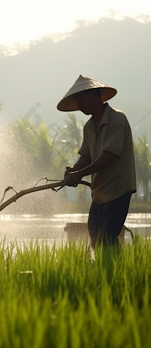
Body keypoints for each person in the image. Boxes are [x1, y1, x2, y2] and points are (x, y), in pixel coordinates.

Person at [57, 75, 136, 248]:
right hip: (99, 193)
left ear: (94, 95)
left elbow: (110, 155)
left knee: (106, 239)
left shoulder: (117, 119)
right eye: (76, 101)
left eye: (80, 100)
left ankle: (113, 272)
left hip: (118, 190)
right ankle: (107, 272)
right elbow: (86, 156)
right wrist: (73, 171)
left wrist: (79, 174)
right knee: (95, 239)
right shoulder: (89, 127)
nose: (78, 105)